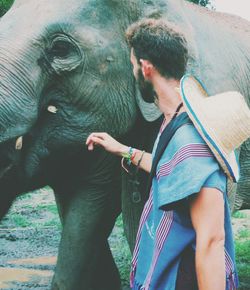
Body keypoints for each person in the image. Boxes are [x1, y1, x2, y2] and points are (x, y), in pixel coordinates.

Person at [86, 19, 250, 290]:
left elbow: (211, 241)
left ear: (146, 68)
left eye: (132, 65)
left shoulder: (193, 145)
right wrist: (123, 150)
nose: (133, 72)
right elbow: (172, 169)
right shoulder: (176, 119)